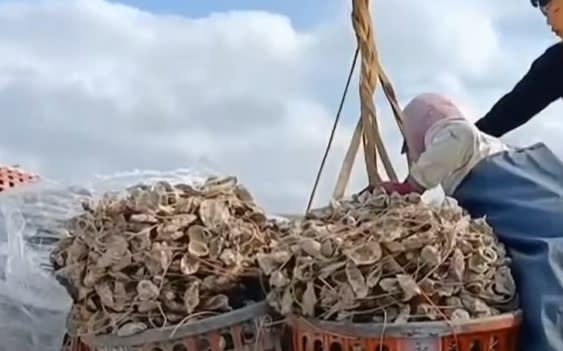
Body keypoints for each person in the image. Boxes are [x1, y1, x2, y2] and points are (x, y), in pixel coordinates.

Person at [372, 92, 563, 351]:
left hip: (526, 200)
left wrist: (411, 185)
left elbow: (459, 136)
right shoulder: (489, 145)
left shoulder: (454, 133)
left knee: (542, 272)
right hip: (544, 187)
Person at [474, 0, 563, 137]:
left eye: (546, 11)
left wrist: (473, 135)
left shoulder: (556, 61)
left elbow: (517, 106)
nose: (548, 23)